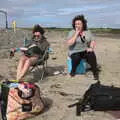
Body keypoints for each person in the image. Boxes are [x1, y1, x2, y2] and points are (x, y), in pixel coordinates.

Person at [67, 15, 99, 80]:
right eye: (76, 24)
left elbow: (92, 40)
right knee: (76, 56)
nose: (77, 25)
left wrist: (91, 48)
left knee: (91, 54)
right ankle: (73, 70)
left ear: (83, 24)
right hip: (74, 51)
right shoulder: (72, 32)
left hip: (84, 50)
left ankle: (95, 72)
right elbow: (69, 43)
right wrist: (76, 33)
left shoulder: (87, 32)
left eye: (79, 24)